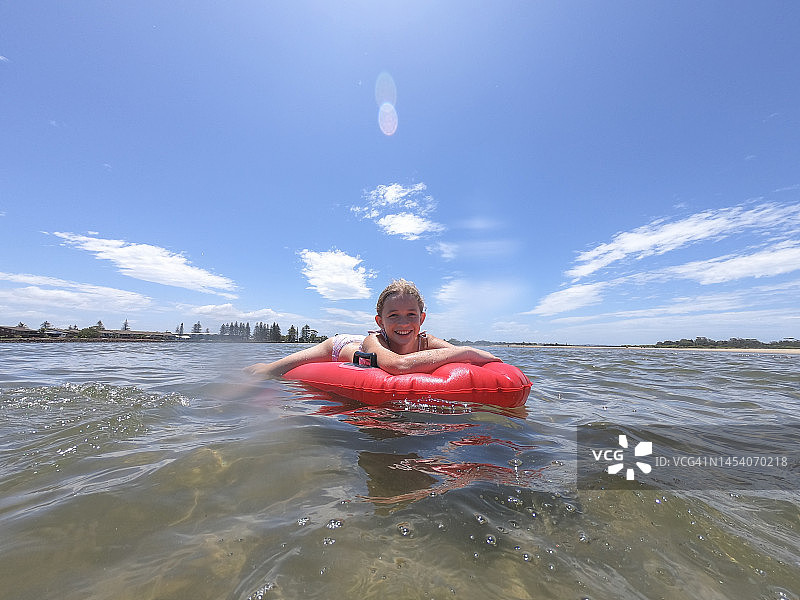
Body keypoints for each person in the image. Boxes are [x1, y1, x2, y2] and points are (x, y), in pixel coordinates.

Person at [244, 279, 500, 379]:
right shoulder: (372, 341)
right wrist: (466, 351)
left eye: (411, 315)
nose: (403, 324)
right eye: (393, 316)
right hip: (343, 347)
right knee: (269, 372)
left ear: (422, 319)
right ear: (380, 322)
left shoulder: (427, 341)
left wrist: (469, 355)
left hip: (369, 349)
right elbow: (397, 366)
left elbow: (470, 359)